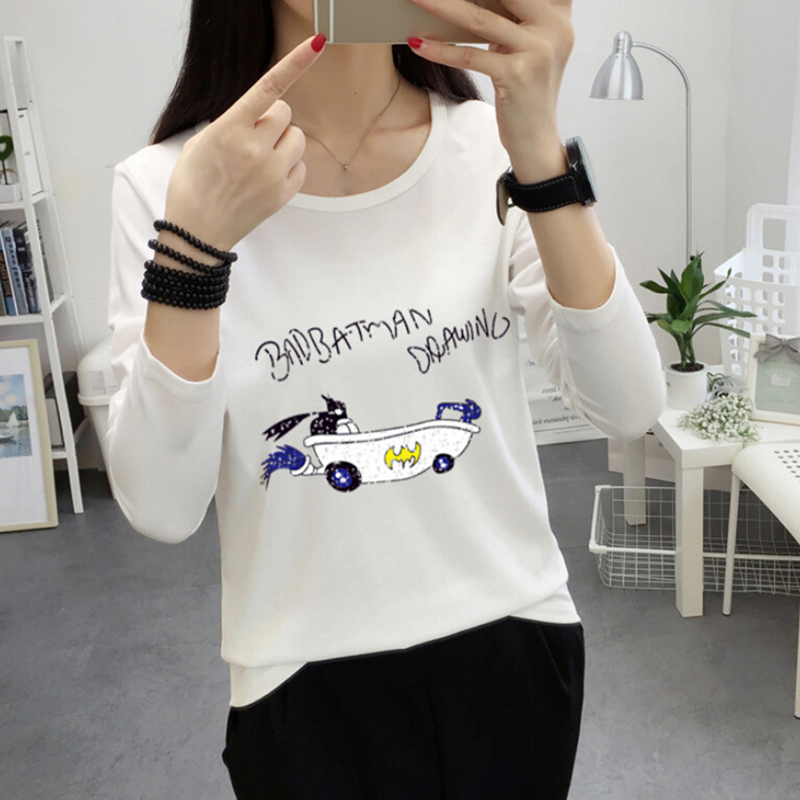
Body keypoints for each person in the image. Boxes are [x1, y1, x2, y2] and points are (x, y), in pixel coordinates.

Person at [106, 1, 666, 797]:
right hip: (302, 680)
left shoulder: (490, 146)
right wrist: (194, 252)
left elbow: (628, 404)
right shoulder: (174, 184)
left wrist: (540, 150)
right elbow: (163, 507)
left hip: (514, 643)